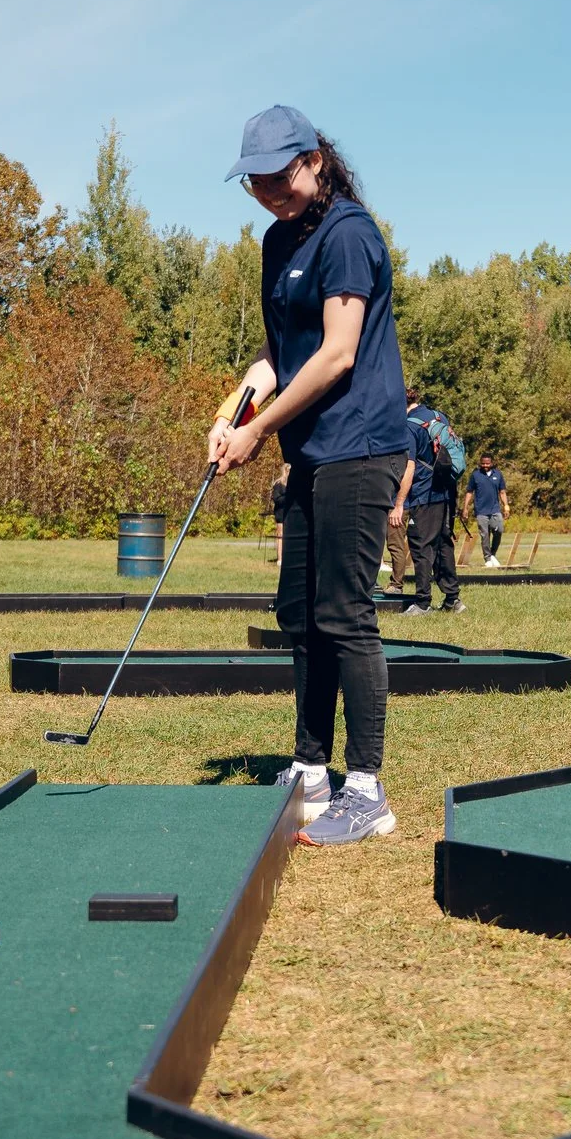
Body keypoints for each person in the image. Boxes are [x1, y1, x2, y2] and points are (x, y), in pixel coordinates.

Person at [209, 106, 407, 847]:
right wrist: (235, 410)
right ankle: (310, 769)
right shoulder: (275, 241)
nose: (269, 191)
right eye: (256, 182)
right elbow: (278, 354)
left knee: (346, 613)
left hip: (359, 445)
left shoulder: (349, 233)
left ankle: (367, 789)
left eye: (280, 176)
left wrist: (259, 430)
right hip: (310, 454)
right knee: (301, 612)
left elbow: (336, 355)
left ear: (316, 160)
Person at [395, 390, 463, 613]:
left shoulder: (408, 427)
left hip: (423, 494)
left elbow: (410, 466)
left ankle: (422, 602)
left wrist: (398, 504)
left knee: (421, 546)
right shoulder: (438, 415)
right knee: (443, 545)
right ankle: (453, 599)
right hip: (444, 492)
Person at [465, 453, 508, 566]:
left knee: (499, 530)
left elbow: (502, 492)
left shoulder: (498, 475)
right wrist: (465, 508)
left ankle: (493, 553)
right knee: (485, 535)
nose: (485, 465)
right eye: (483, 463)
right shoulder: (475, 475)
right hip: (481, 511)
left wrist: (506, 506)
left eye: (487, 463)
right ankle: (488, 559)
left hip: (495, 509)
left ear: (492, 463)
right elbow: (469, 492)